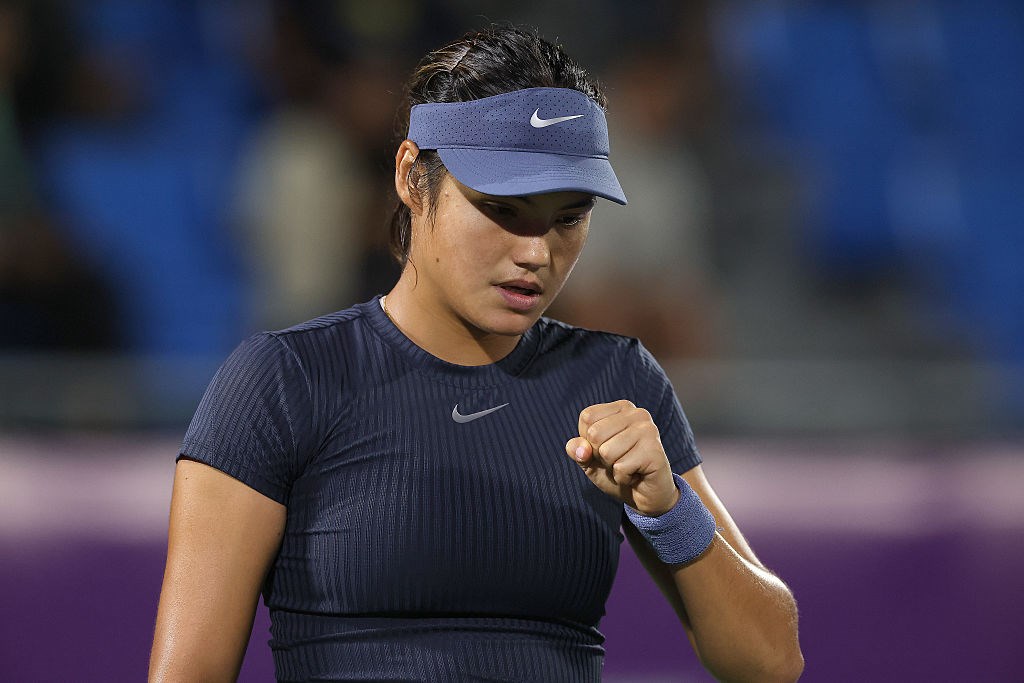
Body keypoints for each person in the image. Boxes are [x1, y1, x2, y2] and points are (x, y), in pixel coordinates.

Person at [149, 26, 804, 683]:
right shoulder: (282, 382)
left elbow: (774, 663)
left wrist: (671, 514)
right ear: (411, 176)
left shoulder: (620, 381)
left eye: (568, 217)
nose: (536, 252)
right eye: (501, 209)